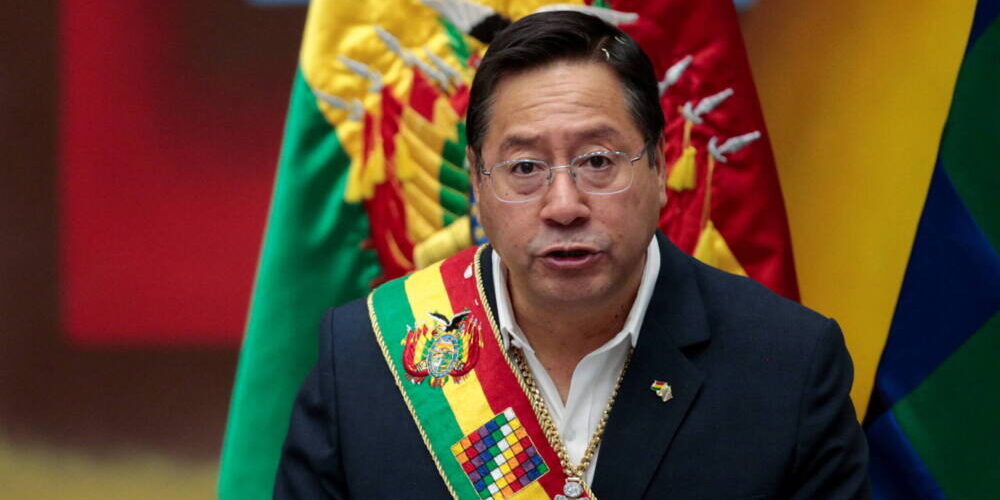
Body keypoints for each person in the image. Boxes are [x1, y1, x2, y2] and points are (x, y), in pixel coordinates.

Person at [275, 11, 870, 500]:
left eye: (598, 162)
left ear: (661, 169)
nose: (564, 205)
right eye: (525, 168)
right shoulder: (366, 360)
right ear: (478, 184)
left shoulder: (787, 365)